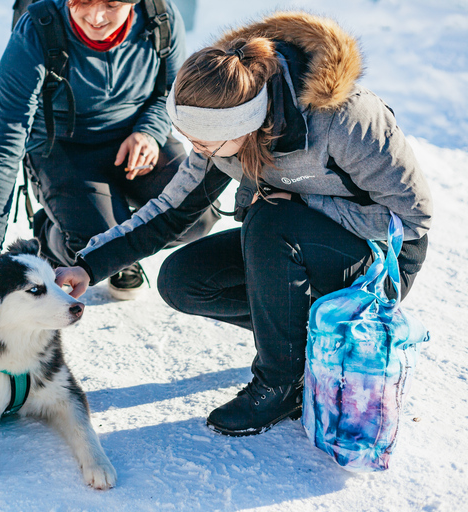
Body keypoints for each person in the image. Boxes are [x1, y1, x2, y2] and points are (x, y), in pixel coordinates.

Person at [56, 12, 432, 436]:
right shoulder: (221, 127)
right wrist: (88, 265)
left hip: (381, 262)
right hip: (287, 241)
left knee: (273, 218)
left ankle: (280, 385)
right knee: (183, 279)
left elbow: (412, 218)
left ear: (244, 123)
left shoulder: (344, 118)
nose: (195, 149)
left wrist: (305, 201)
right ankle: (307, 348)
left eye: (203, 142)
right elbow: (171, 209)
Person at [0, 0, 218, 300]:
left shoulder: (161, 18)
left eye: (112, 4)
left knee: (199, 211)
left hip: (136, 137)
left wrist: (149, 132)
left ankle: (123, 237)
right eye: (82, 1)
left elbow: (171, 92)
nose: (96, 16)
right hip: (64, 149)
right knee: (95, 245)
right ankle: (52, 235)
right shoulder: (37, 30)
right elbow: (2, 143)